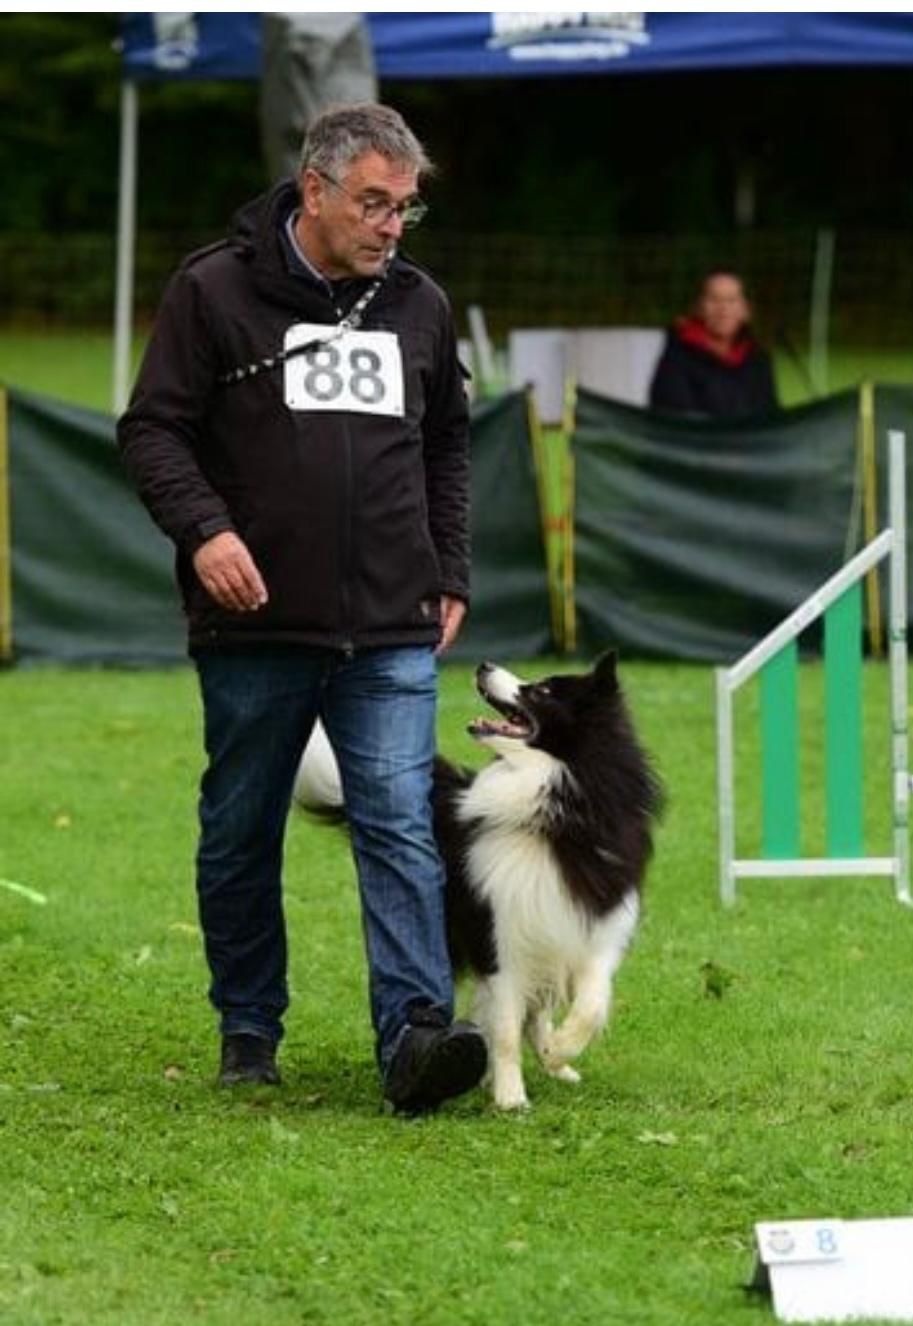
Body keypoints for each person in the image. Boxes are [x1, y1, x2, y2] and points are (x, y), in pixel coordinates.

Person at [117, 103, 486, 1116]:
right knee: (241, 830)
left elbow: (447, 443)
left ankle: (414, 1036)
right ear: (313, 191)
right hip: (255, 625)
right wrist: (207, 532)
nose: (391, 226)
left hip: (392, 622)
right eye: (373, 204)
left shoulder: (420, 305)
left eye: (405, 208)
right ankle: (249, 1028)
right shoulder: (212, 291)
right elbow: (152, 431)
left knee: (400, 825)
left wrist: (450, 566)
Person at [648, 269, 779, 418]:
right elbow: (675, 415)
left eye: (732, 300)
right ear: (698, 307)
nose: (723, 310)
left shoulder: (758, 358)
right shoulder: (677, 355)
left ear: (746, 310)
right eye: (714, 300)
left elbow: (770, 415)